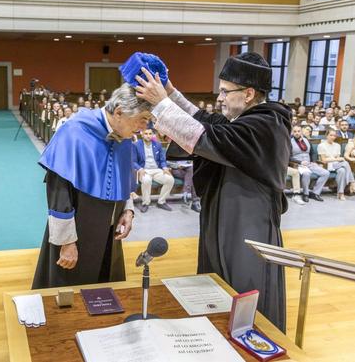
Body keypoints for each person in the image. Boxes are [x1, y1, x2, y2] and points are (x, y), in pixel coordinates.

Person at [135, 52, 290, 332]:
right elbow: (204, 119)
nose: (219, 98)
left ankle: (247, 336)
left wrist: (161, 104)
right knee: (217, 283)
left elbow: (207, 137)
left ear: (249, 94)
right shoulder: (246, 119)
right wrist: (169, 90)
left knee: (242, 283)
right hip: (226, 214)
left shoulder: (267, 124)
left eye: (225, 91)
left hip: (247, 221)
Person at [32, 80, 153, 289]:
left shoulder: (125, 136)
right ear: (119, 112)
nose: (145, 128)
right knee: (71, 290)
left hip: (110, 231)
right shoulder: (74, 132)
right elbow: (58, 193)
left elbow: (124, 175)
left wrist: (128, 210)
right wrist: (67, 242)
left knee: (105, 287)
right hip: (78, 231)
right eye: (142, 119)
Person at [133, 128, 174, 212]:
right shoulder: (136, 145)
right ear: (142, 134)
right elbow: (133, 161)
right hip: (144, 170)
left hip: (156, 169)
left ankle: (161, 202)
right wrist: (140, 169)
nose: (148, 136)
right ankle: (146, 203)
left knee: (170, 180)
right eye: (146, 134)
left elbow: (162, 160)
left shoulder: (157, 144)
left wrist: (165, 168)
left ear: (153, 135)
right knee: (147, 180)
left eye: (150, 134)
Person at [290, 125, 330, 202]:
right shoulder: (289, 142)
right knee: (306, 174)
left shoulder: (306, 140)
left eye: (298, 131)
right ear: (292, 132)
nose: (297, 133)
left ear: (301, 132)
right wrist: (300, 162)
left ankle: (315, 193)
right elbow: (288, 157)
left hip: (309, 163)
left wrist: (314, 162)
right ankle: (305, 193)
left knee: (326, 173)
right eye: (295, 131)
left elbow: (312, 153)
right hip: (298, 164)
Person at [317, 129, 355, 200]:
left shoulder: (337, 145)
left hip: (336, 164)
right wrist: (337, 159)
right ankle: (352, 182)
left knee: (342, 170)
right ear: (326, 136)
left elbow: (338, 158)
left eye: (334, 135)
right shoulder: (321, 145)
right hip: (326, 165)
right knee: (345, 163)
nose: (332, 137)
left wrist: (337, 159)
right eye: (331, 135)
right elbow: (324, 160)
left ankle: (340, 193)